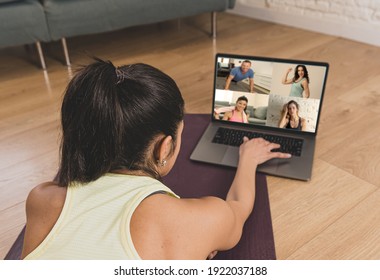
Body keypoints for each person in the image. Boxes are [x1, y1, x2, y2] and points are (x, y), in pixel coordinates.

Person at [21, 59, 291, 260]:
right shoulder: (194, 220)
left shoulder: (41, 199)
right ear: (165, 148)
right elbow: (237, 209)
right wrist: (248, 159)